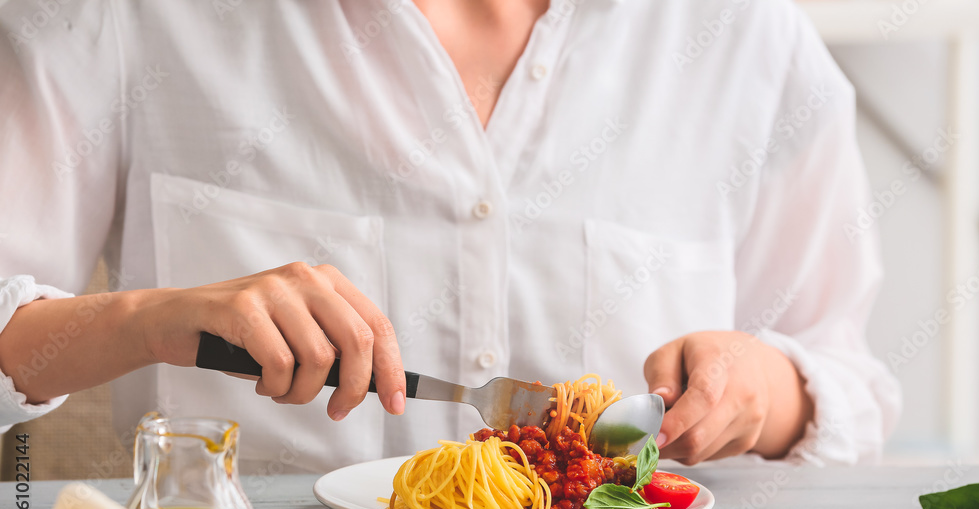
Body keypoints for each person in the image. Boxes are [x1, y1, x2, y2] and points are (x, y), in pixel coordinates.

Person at [0, 0, 901, 474]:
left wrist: (763, 388)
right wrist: (152, 319)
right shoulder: (120, 12)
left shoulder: (745, 34)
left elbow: (844, 376)